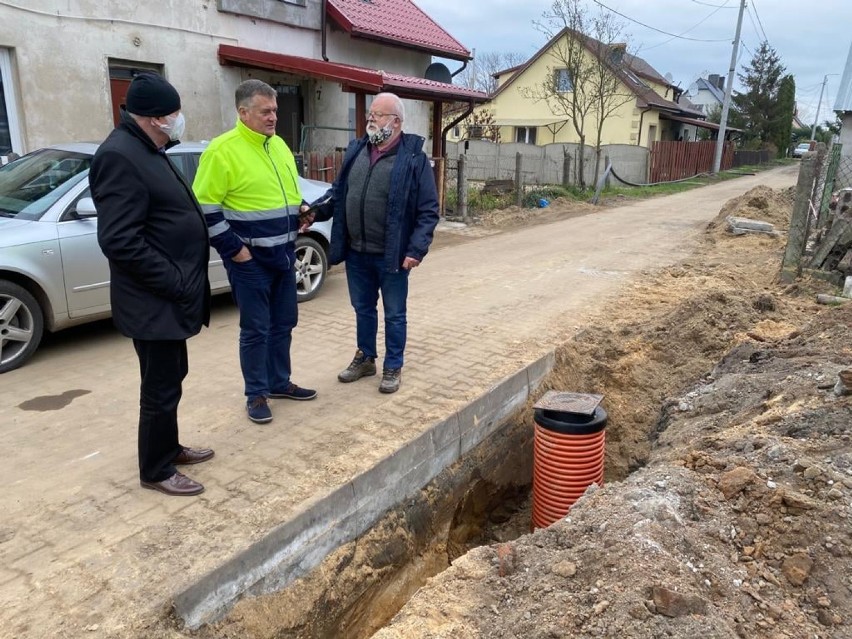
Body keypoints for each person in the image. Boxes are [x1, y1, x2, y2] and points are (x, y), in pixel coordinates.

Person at [90, 73, 214, 497]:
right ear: (153, 118)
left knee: (171, 377)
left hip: (168, 299)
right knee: (159, 387)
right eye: (174, 114)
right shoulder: (120, 156)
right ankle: (156, 470)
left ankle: (169, 446)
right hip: (153, 300)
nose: (180, 120)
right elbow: (120, 240)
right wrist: (177, 281)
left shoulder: (150, 147)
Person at [193, 79, 316, 424]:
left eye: (275, 110)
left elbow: (288, 195)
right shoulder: (222, 150)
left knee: (284, 323)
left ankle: (279, 382)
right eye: (266, 111)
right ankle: (257, 394)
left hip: (284, 254)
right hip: (250, 263)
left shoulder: (277, 146)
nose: (273, 117)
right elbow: (205, 209)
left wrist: (302, 210)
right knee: (256, 329)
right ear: (243, 112)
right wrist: (236, 252)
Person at [307, 92, 439, 394]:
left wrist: (416, 249)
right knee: (363, 309)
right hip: (357, 252)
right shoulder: (357, 150)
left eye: (377, 115)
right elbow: (338, 194)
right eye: (370, 114)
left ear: (395, 122)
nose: (370, 119)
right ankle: (365, 358)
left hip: (392, 255)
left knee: (394, 313)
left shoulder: (414, 158)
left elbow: (428, 210)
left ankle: (394, 365)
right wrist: (314, 212)